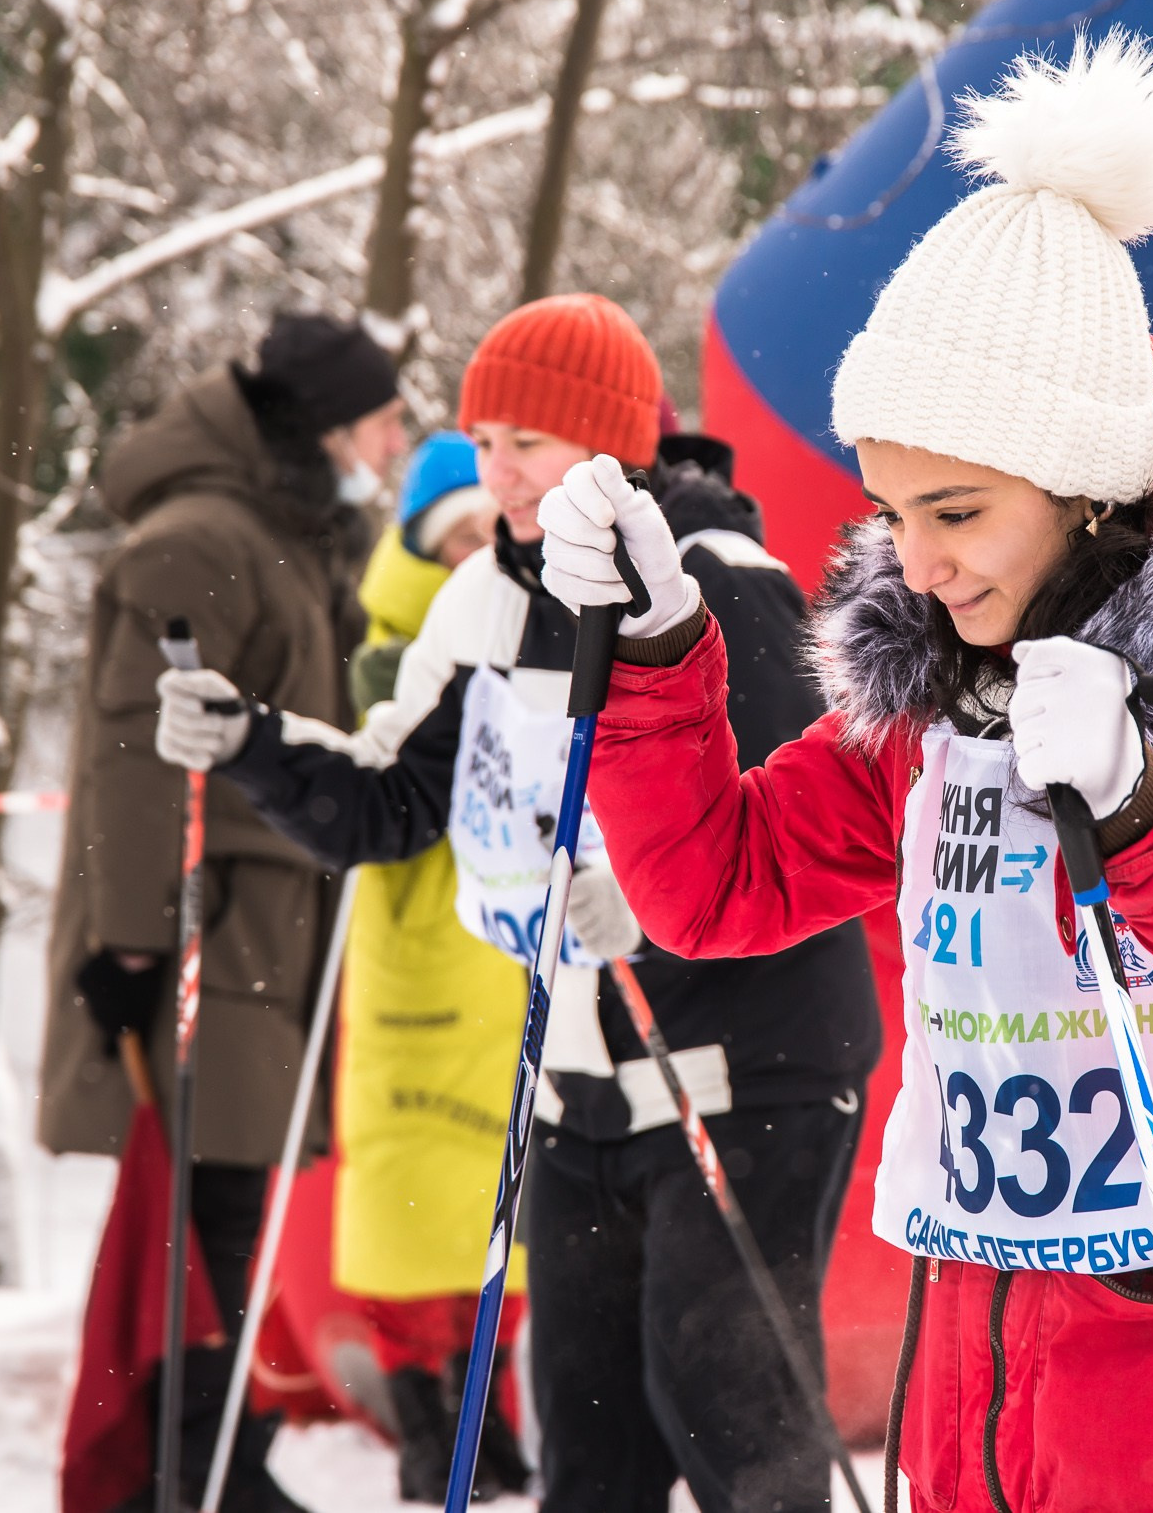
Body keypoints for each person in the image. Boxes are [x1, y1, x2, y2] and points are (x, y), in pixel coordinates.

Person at [533, 31, 1153, 1510]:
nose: (916, 560)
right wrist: (654, 656)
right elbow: (719, 886)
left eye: (953, 510)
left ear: (1088, 484)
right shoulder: (954, 684)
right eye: (891, 510)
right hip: (987, 1357)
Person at [150, 292, 881, 1513]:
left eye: (526, 443)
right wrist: (251, 743)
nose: (499, 473)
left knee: (730, 1419)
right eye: (482, 442)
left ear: (607, 444)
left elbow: (807, 822)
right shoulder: (487, 595)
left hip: (742, 1075)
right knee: (590, 1450)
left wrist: (652, 906)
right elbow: (388, 803)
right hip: (577, 1094)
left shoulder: (716, 578)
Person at [39, 311, 407, 1513]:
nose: (395, 441)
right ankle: (186, 1473)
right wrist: (130, 939)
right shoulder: (203, 538)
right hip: (205, 931)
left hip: (266, 932)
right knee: (199, 1221)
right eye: (383, 418)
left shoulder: (282, 534)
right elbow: (134, 750)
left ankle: (209, 1464)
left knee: (225, 1216)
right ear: (327, 423)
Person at [323, 430, 531, 1503]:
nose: (466, 559)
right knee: (411, 1208)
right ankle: (426, 1420)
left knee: (499, 1207)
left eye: (478, 536)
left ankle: (486, 1416)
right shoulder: (388, 656)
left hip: (505, 956)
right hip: (422, 959)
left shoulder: (532, 625)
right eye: (448, 539)